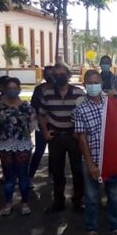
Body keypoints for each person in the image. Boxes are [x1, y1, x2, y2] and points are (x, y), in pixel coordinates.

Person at [76, 70, 117, 235]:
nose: (93, 86)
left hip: (112, 160)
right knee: (91, 198)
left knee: (114, 196)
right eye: (89, 83)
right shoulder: (80, 109)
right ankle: (91, 230)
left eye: (96, 82)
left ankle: (116, 229)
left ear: (101, 84)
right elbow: (82, 139)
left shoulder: (112, 103)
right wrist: (90, 164)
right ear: (84, 86)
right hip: (92, 159)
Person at [38, 63, 86, 212]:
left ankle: (78, 201)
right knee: (57, 172)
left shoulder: (79, 93)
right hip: (56, 138)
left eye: (62, 73)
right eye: (56, 74)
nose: (59, 77)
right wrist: (45, 133)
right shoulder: (47, 93)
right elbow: (42, 115)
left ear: (68, 74)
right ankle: (58, 201)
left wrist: (78, 132)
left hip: (73, 137)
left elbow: (84, 115)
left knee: (77, 170)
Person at [0, 78, 36, 217]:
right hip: (5, 145)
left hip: (22, 145)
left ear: (19, 89)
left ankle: (25, 203)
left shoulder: (26, 107)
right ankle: (8, 203)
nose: (12, 90)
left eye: (15, 87)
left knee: (23, 175)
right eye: (9, 88)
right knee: (9, 176)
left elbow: (32, 125)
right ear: (4, 89)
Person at [28, 66, 54, 184]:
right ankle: (30, 176)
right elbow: (33, 105)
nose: (49, 76)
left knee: (54, 152)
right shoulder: (39, 89)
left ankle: (51, 175)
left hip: (55, 125)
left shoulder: (57, 88)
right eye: (46, 74)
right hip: (41, 124)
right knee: (39, 151)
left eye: (51, 74)